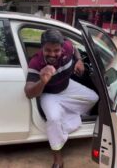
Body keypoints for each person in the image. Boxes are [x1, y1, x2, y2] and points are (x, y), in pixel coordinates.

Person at [24, 29, 99, 168]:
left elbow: (75, 49)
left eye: (56, 50)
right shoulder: (36, 62)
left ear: (62, 47)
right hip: (49, 94)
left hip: (67, 87)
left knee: (93, 98)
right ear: (42, 47)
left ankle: (64, 121)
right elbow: (28, 93)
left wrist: (79, 61)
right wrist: (42, 81)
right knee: (53, 119)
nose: (52, 54)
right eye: (48, 50)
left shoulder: (68, 47)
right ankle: (57, 158)